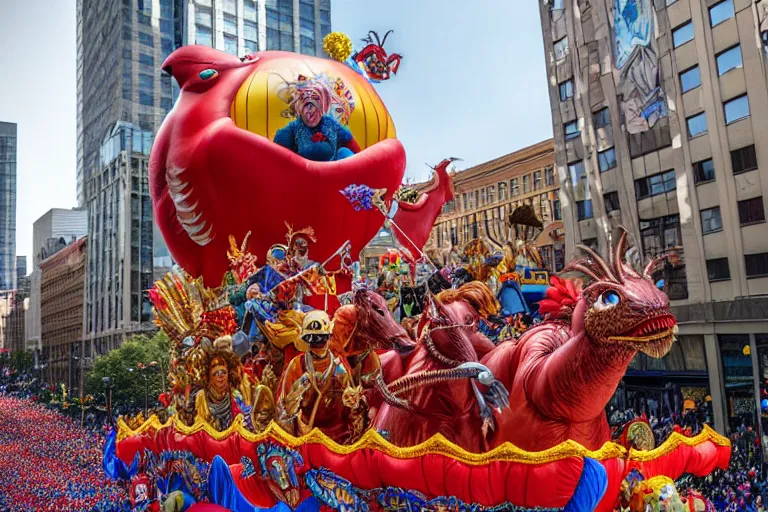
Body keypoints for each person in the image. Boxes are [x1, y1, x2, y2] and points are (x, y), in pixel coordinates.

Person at [276, 310, 363, 443]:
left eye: (321, 340)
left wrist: (352, 401)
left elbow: (354, 410)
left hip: (339, 438)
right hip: (307, 436)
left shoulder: (340, 366)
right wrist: (297, 394)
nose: (318, 346)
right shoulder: (296, 365)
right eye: (313, 341)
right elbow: (283, 408)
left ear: (329, 337)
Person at [274, 74, 360, 162]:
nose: (310, 112)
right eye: (306, 105)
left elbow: (351, 144)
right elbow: (278, 157)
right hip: (304, 172)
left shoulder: (331, 124)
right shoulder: (293, 129)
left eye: (315, 104)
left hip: (332, 171)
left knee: (344, 152)